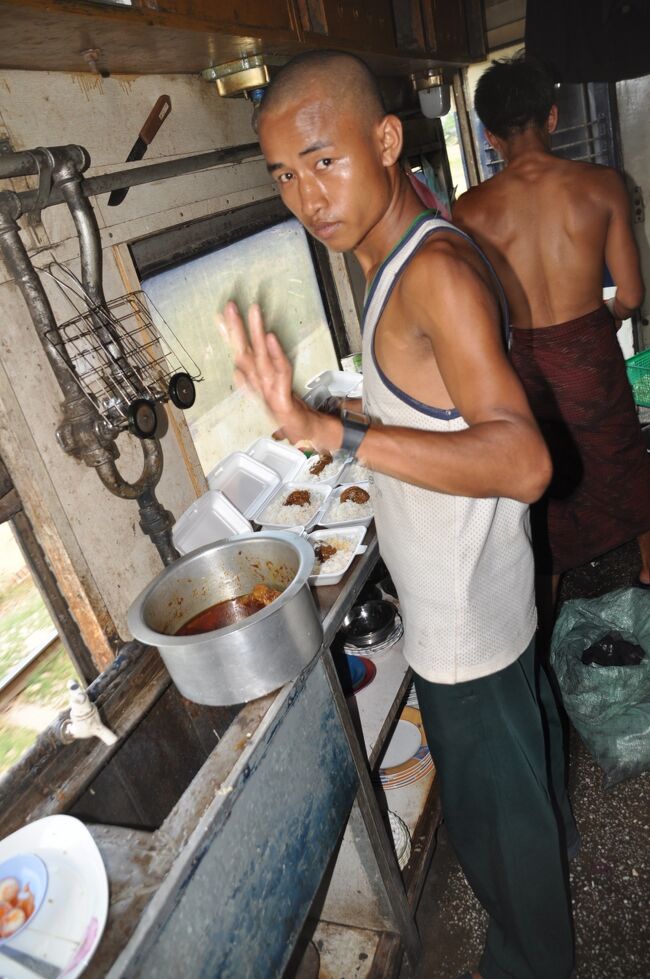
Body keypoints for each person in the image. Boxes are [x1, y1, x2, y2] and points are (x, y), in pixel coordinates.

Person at [221, 50, 576, 979]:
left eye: (324, 161)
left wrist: (332, 435)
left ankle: (533, 961)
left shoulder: (435, 272)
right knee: (524, 786)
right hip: (485, 595)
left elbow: (526, 461)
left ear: (384, 141)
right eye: (286, 176)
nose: (308, 196)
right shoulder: (397, 244)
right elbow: (442, 410)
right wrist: (345, 422)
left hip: (465, 630)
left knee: (499, 836)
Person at [453, 54, 650, 629]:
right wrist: (604, 313)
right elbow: (633, 297)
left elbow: (476, 313)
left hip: (523, 363)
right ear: (554, 117)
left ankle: (548, 588)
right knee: (619, 454)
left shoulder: (467, 212)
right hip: (589, 349)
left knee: (544, 467)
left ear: (490, 137)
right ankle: (645, 560)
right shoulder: (602, 185)